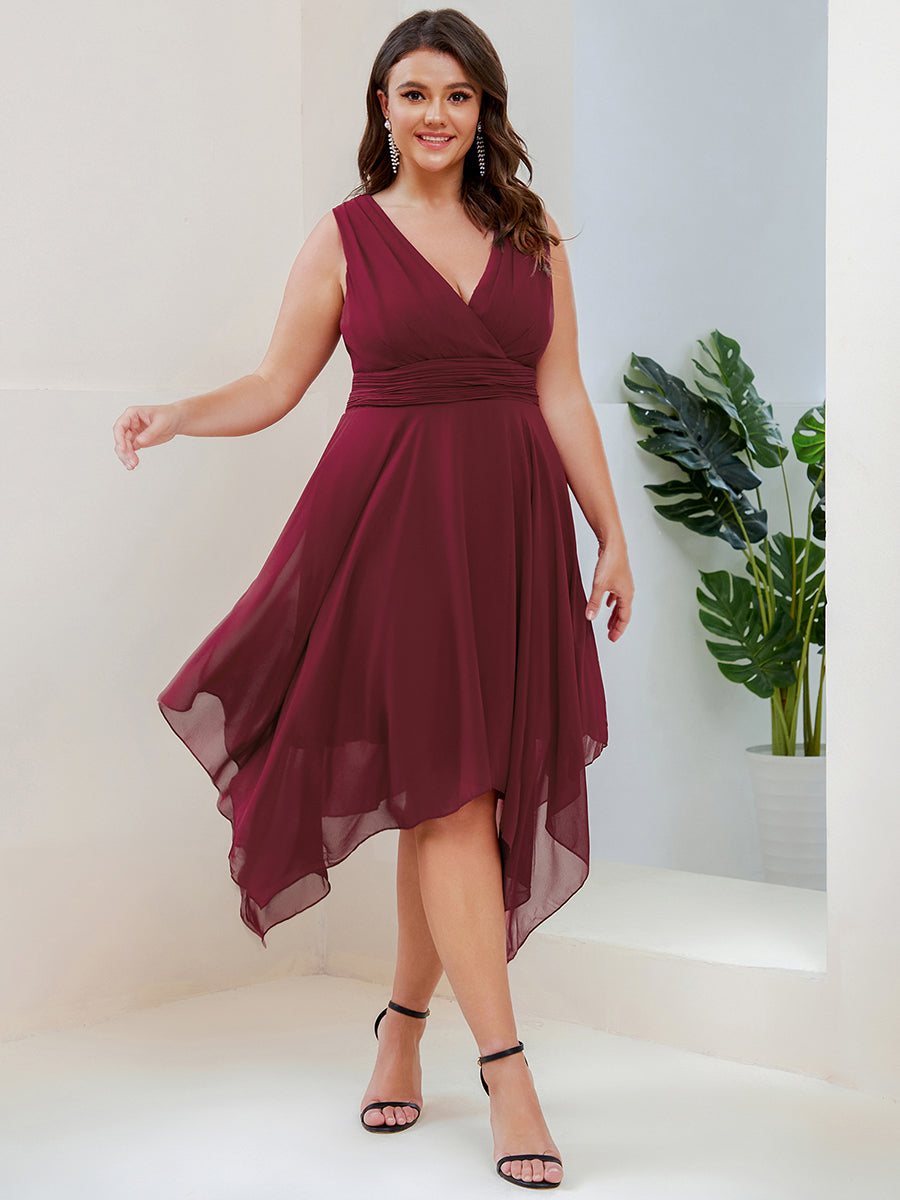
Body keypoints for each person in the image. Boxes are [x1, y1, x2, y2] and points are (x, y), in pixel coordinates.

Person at [112, 7, 633, 1190]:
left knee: (458, 795)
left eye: (457, 94)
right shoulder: (344, 236)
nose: (436, 114)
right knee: (449, 801)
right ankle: (507, 1071)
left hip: (509, 529)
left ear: (484, 110)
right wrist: (180, 413)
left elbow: (561, 392)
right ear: (382, 110)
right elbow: (275, 382)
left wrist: (610, 535)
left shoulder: (535, 234)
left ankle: (400, 1028)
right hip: (394, 530)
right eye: (414, 93)